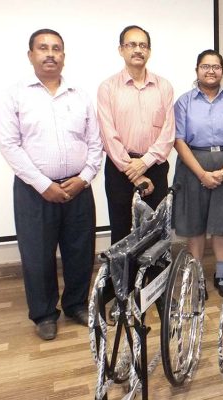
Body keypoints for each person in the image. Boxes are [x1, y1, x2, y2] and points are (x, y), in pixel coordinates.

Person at [0, 29, 103, 340]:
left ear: (64, 56)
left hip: (78, 188)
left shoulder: (80, 95)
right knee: (37, 254)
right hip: (34, 191)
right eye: (43, 48)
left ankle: (76, 304)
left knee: (80, 251)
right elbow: (10, 145)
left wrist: (84, 178)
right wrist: (43, 184)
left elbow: (95, 143)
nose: (50, 54)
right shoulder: (15, 95)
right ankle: (43, 313)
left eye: (56, 48)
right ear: (30, 55)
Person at [172, 49, 223, 297]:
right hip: (194, 166)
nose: (211, 70)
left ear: (222, 71)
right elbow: (179, 141)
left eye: (215, 66)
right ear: (197, 70)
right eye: (205, 66)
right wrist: (202, 174)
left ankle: (222, 274)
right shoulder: (184, 102)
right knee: (196, 225)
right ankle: (197, 277)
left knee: (221, 224)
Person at [97, 25, 174, 244]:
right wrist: (133, 169)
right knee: (121, 232)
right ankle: (122, 279)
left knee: (155, 232)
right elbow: (108, 134)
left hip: (155, 168)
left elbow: (168, 133)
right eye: (131, 45)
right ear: (121, 50)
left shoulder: (164, 87)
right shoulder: (107, 88)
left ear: (149, 51)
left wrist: (145, 162)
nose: (138, 50)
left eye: (143, 45)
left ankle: (153, 279)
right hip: (119, 169)